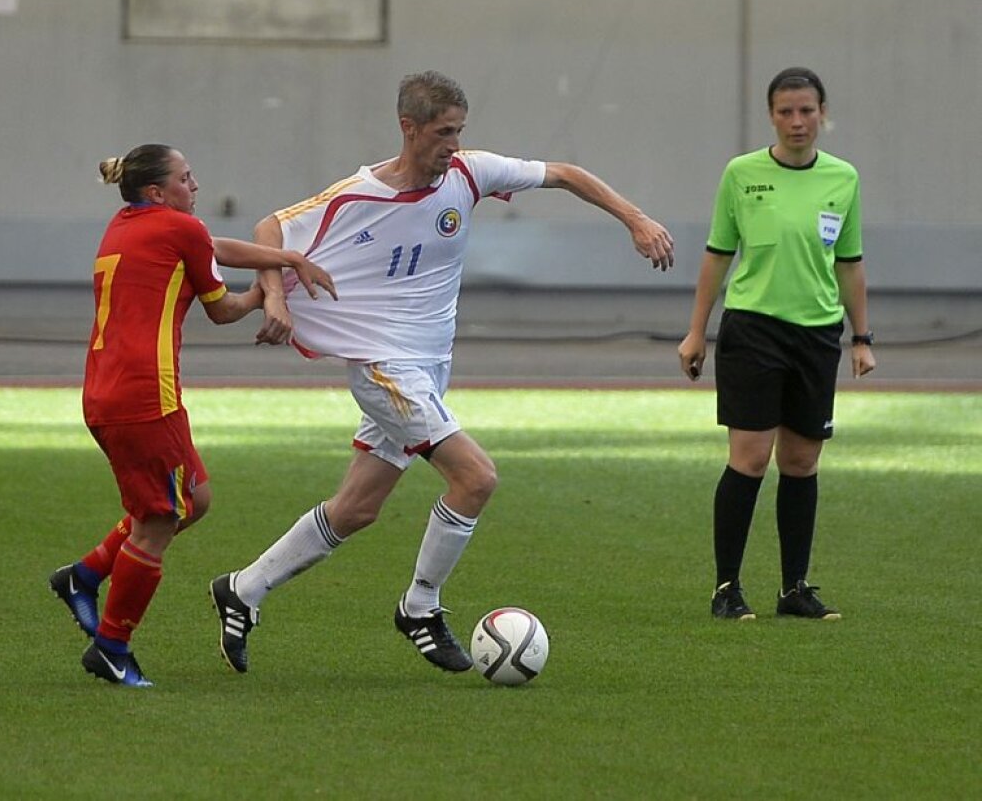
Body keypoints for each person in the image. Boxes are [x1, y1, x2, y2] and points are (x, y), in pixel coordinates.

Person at [209, 70, 675, 675]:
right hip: (384, 369)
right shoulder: (358, 194)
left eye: (459, 131)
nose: (453, 144)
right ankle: (420, 606)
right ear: (409, 128)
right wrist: (273, 297)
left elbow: (565, 174)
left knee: (356, 509)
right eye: (442, 132)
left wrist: (636, 220)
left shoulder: (469, 173)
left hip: (428, 369)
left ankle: (242, 590)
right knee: (476, 479)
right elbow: (271, 229)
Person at [48, 143, 335, 687]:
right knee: (157, 522)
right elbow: (223, 310)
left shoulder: (126, 223)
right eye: (186, 177)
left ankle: (84, 576)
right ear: (159, 191)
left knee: (193, 500)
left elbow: (214, 245)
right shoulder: (181, 232)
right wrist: (264, 296)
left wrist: (286, 260)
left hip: (108, 391)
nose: (195, 184)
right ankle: (111, 647)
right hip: (143, 399)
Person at [678, 67, 876, 622]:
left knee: (801, 460)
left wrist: (860, 338)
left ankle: (794, 589)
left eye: (807, 110)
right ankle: (726, 589)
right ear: (771, 115)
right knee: (749, 458)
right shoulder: (742, 174)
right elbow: (717, 254)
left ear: (822, 114)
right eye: (786, 111)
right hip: (753, 331)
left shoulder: (844, 178)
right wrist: (697, 331)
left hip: (817, 335)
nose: (797, 121)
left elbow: (850, 264)